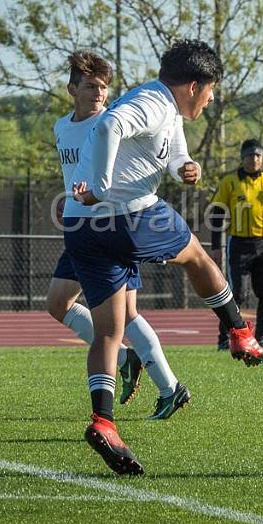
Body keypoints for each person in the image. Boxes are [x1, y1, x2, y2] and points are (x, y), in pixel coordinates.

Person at [66, 39, 263, 476]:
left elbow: (173, 153)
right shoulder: (154, 104)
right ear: (194, 85)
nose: (211, 99)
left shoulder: (165, 106)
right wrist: (101, 185)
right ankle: (239, 331)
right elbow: (107, 127)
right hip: (128, 215)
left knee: (109, 330)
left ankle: (104, 421)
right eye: (211, 90)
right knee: (198, 257)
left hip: (82, 225)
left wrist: (185, 167)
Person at [49, 50, 189, 422]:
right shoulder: (62, 128)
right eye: (91, 87)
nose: (99, 94)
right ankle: (130, 361)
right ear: (71, 89)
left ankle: (169, 387)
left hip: (114, 227)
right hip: (82, 228)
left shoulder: (111, 125)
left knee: (126, 315)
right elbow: (77, 176)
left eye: (104, 88)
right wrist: (69, 200)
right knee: (58, 303)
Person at [209, 138, 263, 351]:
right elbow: (217, 213)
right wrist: (216, 246)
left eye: (258, 155)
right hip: (239, 245)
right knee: (237, 294)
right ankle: (225, 338)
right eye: (250, 155)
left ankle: (260, 339)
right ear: (242, 157)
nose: (254, 159)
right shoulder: (230, 182)